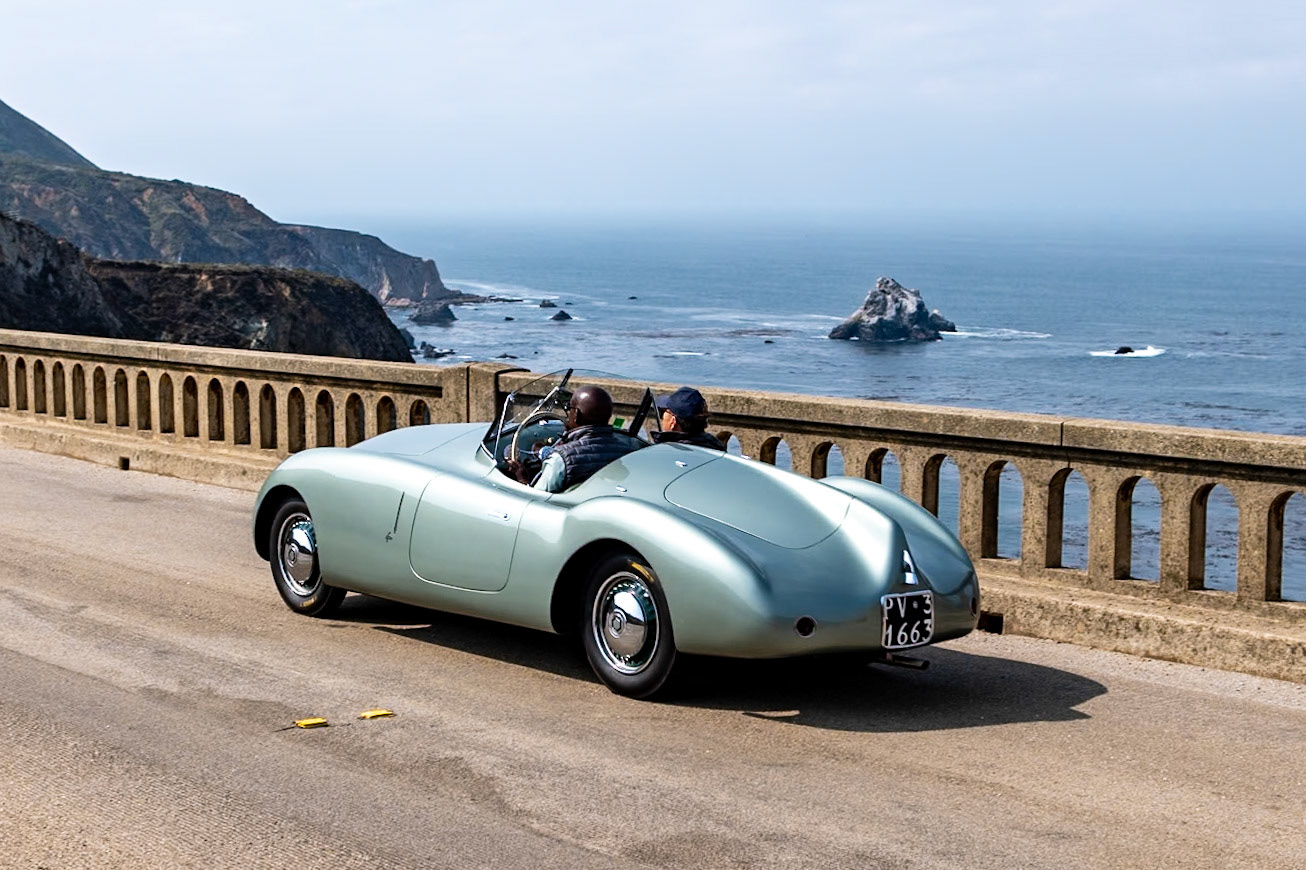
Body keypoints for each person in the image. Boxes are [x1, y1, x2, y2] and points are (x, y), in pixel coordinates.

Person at [507, 385, 640, 492]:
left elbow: (536, 500)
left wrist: (522, 478)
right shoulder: (629, 451)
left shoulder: (560, 460)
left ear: (575, 414)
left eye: (569, 408)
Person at [653, 386, 725, 451]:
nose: (662, 417)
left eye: (662, 412)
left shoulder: (665, 452)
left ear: (673, 422)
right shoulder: (715, 446)